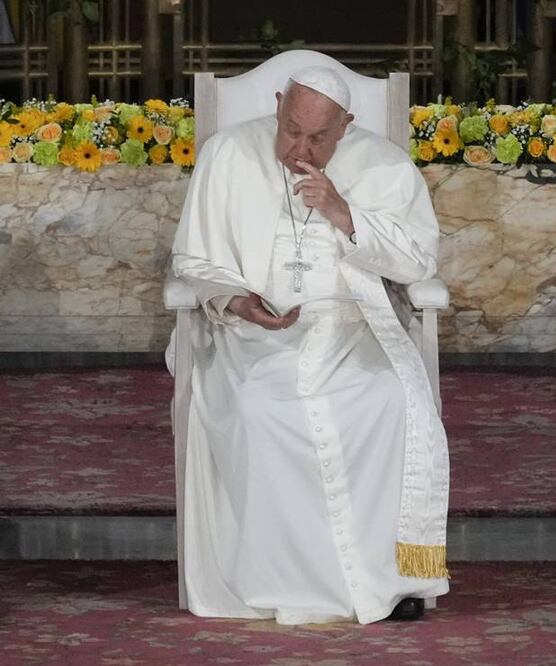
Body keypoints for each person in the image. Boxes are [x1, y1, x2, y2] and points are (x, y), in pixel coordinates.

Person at [167, 65, 449, 625]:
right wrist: (238, 301)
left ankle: (385, 581)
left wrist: (344, 212)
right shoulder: (227, 155)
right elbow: (193, 261)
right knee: (257, 408)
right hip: (251, 334)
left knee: (391, 403)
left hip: (353, 327)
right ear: (277, 105)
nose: (300, 146)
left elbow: (418, 261)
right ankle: (282, 580)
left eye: (318, 137)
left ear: (346, 125)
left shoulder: (384, 164)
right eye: (292, 129)